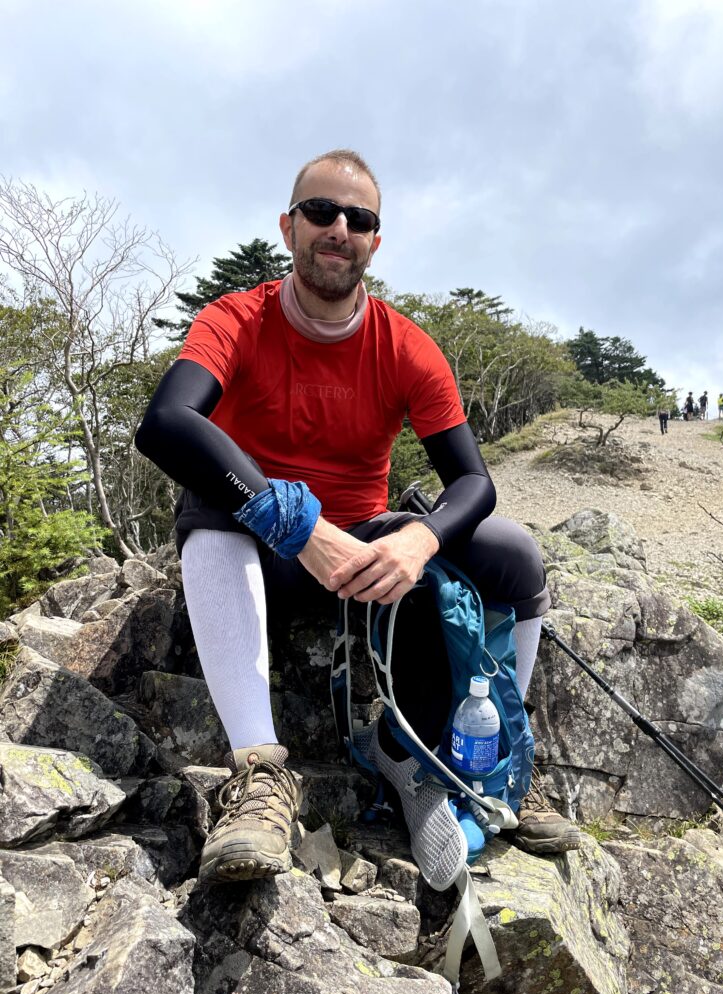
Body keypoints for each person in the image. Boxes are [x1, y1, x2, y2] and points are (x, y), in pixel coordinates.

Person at [135, 150, 580, 890]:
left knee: (518, 557)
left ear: (376, 241)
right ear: (288, 226)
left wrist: (419, 537)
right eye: (320, 212)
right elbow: (167, 423)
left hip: (367, 561)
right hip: (266, 553)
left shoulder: (406, 346)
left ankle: (498, 765)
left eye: (359, 219)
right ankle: (258, 777)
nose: (338, 229)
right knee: (211, 501)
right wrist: (298, 526)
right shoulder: (236, 320)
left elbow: (473, 481)